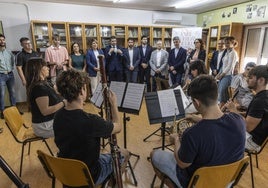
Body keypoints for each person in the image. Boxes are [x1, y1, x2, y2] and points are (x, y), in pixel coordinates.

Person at [151, 75, 246, 188]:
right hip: (226, 181)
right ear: (216, 95)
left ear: (196, 102)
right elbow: (216, 126)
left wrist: (176, 140)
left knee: (154, 154)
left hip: (198, 183)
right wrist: (197, 118)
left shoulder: (192, 134)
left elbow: (182, 164)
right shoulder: (239, 120)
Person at [54, 69, 129, 185]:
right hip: (89, 175)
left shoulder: (58, 115)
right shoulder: (91, 121)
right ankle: (110, 185)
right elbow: (118, 127)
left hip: (67, 172)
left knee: (102, 152)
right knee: (124, 153)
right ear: (81, 92)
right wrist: (114, 104)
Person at [225, 65, 268, 152]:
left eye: (251, 78)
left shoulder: (260, 100)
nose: (247, 80)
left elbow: (248, 127)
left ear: (261, 80)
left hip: (252, 142)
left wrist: (234, 110)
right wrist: (237, 112)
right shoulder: (262, 95)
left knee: (219, 132)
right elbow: (253, 115)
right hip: (252, 137)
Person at [25, 57, 65, 138]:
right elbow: (45, 111)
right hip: (44, 126)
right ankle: (66, 150)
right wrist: (64, 102)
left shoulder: (46, 83)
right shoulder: (38, 88)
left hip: (50, 121)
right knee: (75, 126)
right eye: (45, 66)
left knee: (76, 121)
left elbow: (58, 93)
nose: (48, 68)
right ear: (37, 69)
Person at [216, 36, 238, 108]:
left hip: (228, 75)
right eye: (225, 43)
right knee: (220, 92)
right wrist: (219, 74)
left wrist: (222, 75)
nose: (226, 44)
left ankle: (222, 109)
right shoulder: (227, 52)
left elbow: (230, 66)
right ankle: (221, 107)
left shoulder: (233, 53)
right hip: (223, 74)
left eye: (228, 43)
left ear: (233, 43)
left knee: (223, 92)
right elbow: (223, 65)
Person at [0, 34, 16, 119]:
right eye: (0, 40)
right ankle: (2, 112)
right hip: (1, 75)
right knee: (1, 94)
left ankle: (14, 109)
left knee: (12, 93)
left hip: (10, 74)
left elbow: (12, 61)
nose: (2, 41)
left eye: (3, 39)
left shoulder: (9, 52)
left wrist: (11, 69)